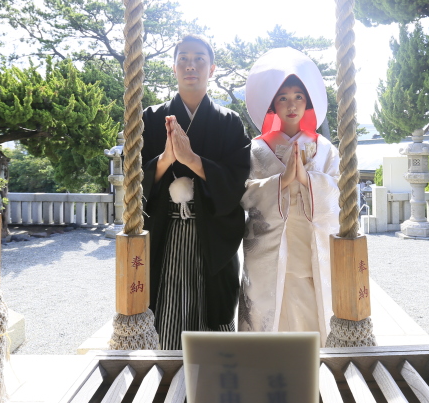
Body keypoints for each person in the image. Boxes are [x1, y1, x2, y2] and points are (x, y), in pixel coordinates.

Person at [141, 34, 251, 350]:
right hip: (164, 231)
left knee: (210, 311)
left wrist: (193, 161)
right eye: (184, 59)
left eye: (199, 59)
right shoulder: (151, 118)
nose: (191, 65)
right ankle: (164, 385)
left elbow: (237, 179)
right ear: (174, 68)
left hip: (211, 235)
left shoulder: (229, 122)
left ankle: (210, 386)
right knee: (163, 310)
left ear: (212, 68)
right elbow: (134, 178)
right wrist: (165, 160)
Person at [239, 47, 340, 345]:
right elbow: (245, 195)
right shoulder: (257, 149)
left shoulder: (324, 148)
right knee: (268, 311)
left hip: (313, 247)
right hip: (268, 247)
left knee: (314, 312)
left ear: (307, 101)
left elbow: (340, 193)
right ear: (273, 105)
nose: (291, 104)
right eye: (283, 98)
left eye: (298, 97)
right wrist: (281, 181)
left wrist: (308, 180)